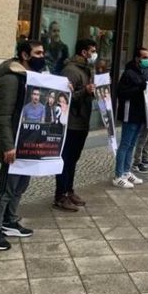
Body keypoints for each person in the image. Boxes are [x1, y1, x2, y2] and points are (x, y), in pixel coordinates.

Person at [0, 40, 47, 251]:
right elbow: (2, 116)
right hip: (14, 144)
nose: (42, 56)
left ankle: (10, 221)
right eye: (38, 53)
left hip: (30, 142)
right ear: (25, 55)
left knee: (20, 186)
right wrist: (8, 146)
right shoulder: (11, 79)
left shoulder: (36, 78)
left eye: (43, 53)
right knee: (6, 188)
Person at [54, 39, 97, 211]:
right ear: (84, 52)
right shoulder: (71, 70)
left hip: (82, 121)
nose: (94, 54)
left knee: (73, 160)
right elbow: (63, 99)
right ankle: (60, 195)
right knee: (66, 160)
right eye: (92, 51)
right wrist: (84, 91)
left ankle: (69, 189)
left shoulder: (86, 69)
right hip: (71, 123)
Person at [114, 48, 148, 188]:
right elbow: (121, 93)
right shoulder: (128, 73)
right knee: (125, 144)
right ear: (137, 58)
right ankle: (118, 175)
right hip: (130, 114)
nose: (147, 60)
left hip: (139, 114)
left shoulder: (142, 73)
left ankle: (126, 171)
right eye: (144, 57)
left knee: (132, 144)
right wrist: (138, 89)